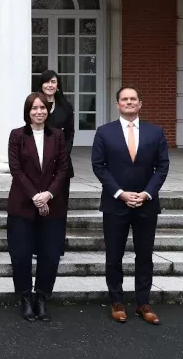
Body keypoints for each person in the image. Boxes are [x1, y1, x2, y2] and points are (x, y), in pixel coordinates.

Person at [92, 86, 169, 325]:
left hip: (146, 205)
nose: (129, 102)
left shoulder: (155, 132)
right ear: (117, 104)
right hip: (116, 204)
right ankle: (117, 301)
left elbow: (162, 166)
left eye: (133, 99)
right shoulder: (105, 132)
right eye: (124, 99)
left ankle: (143, 304)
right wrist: (120, 193)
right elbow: (99, 166)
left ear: (140, 103)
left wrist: (146, 193)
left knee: (144, 256)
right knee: (114, 256)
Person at [6, 92, 69, 322]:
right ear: (27, 111)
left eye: (42, 107)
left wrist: (49, 194)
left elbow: (63, 169)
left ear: (48, 110)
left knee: (50, 256)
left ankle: (41, 297)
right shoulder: (17, 136)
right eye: (34, 108)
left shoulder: (58, 136)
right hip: (22, 204)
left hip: (53, 205)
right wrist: (35, 196)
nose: (39, 112)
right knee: (21, 255)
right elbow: (16, 170)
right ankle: (25, 297)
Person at [36, 70, 74, 256]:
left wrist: (62, 156)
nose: (50, 85)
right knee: (39, 205)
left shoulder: (66, 107)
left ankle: (57, 245)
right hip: (39, 164)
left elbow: (70, 134)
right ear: (41, 84)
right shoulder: (35, 105)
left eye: (54, 82)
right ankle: (38, 245)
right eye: (46, 82)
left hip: (61, 164)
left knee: (59, 206)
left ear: (58, 85)